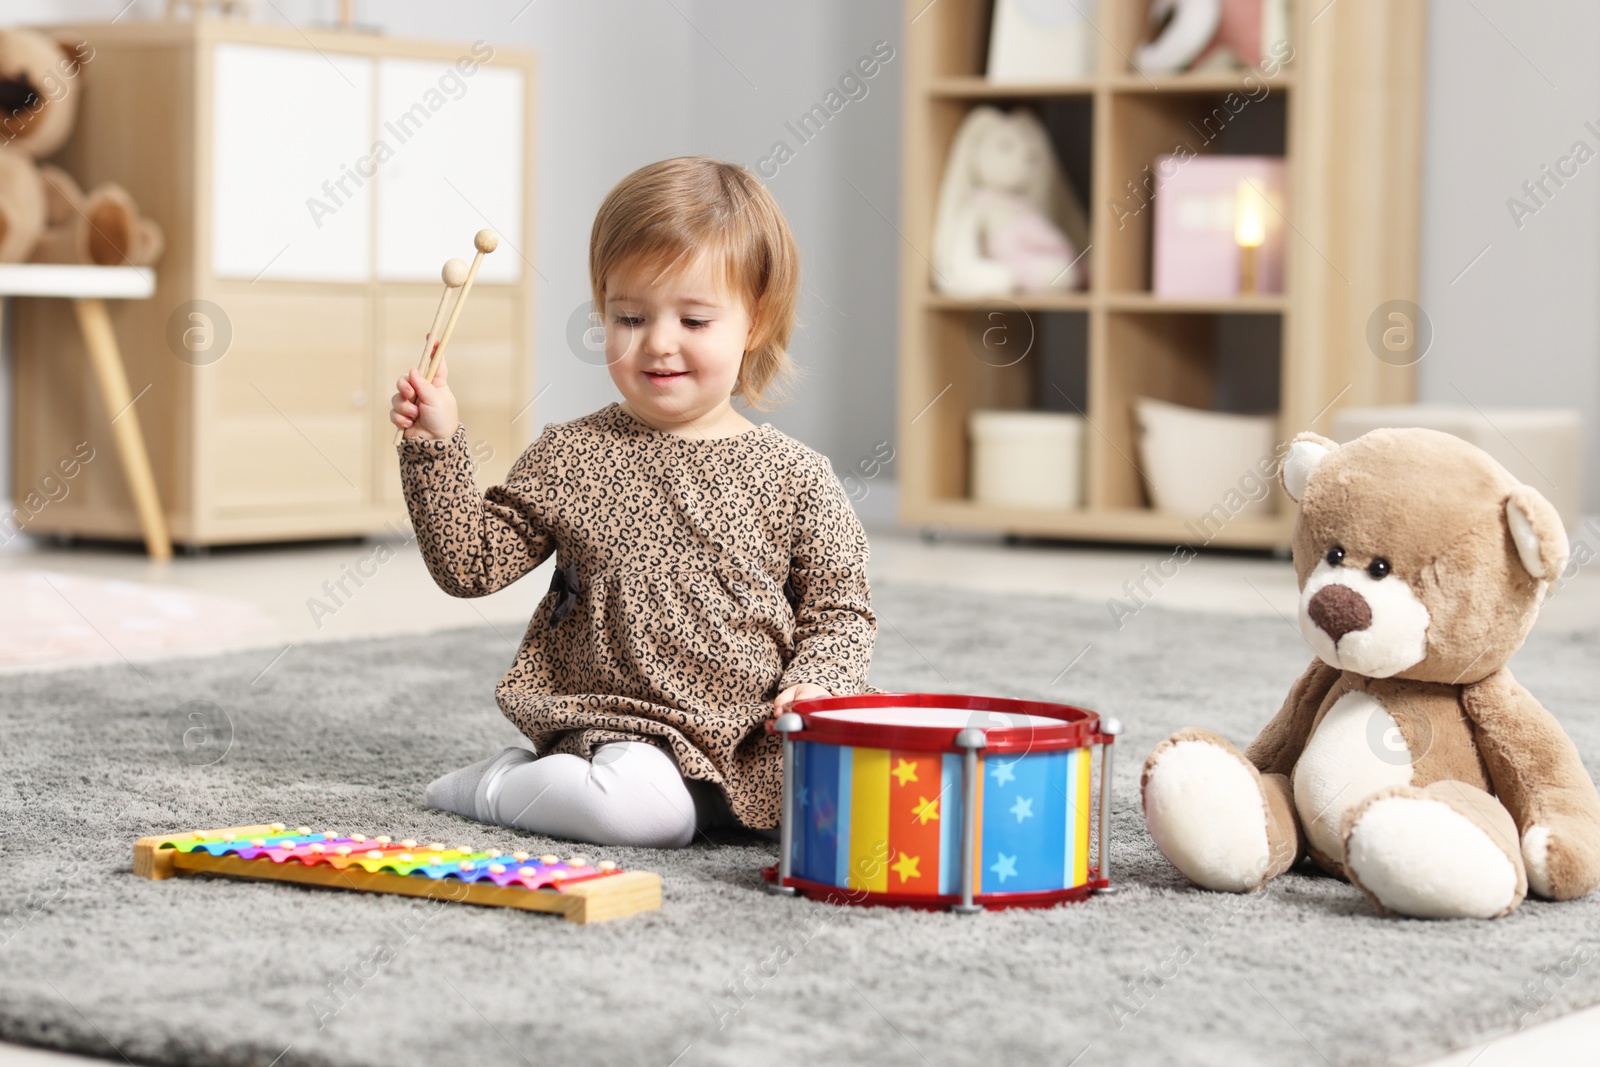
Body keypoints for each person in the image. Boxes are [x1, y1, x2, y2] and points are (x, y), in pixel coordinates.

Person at [389, 156, 875, 848]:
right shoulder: (573, 454)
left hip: (754, 745)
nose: (659, 343)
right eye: (631, 316)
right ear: (604, 311)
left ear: (755, 322)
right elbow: (470, 565)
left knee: (869, 809)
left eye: (696, 320)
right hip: (623, 723)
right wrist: (435, 446)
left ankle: (697, 801)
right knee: (648, 813)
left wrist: (820, 685)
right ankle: (495, 786)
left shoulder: (799, 476)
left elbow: (840, 610)